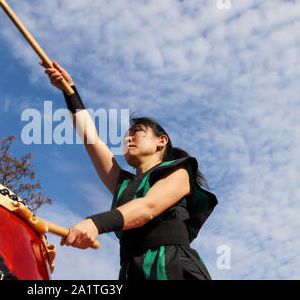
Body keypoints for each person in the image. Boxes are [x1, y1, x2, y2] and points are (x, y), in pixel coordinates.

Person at [40, 61, 218, 280]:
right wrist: (70, 91)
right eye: (126, 135)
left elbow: (148, 207)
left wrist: (95, 223)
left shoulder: (180, 173)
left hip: (172, 266)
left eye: (137, 132)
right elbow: (91, 139)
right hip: (131, 271)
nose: (128, 138)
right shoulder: (123, 184)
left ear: (161, 142)